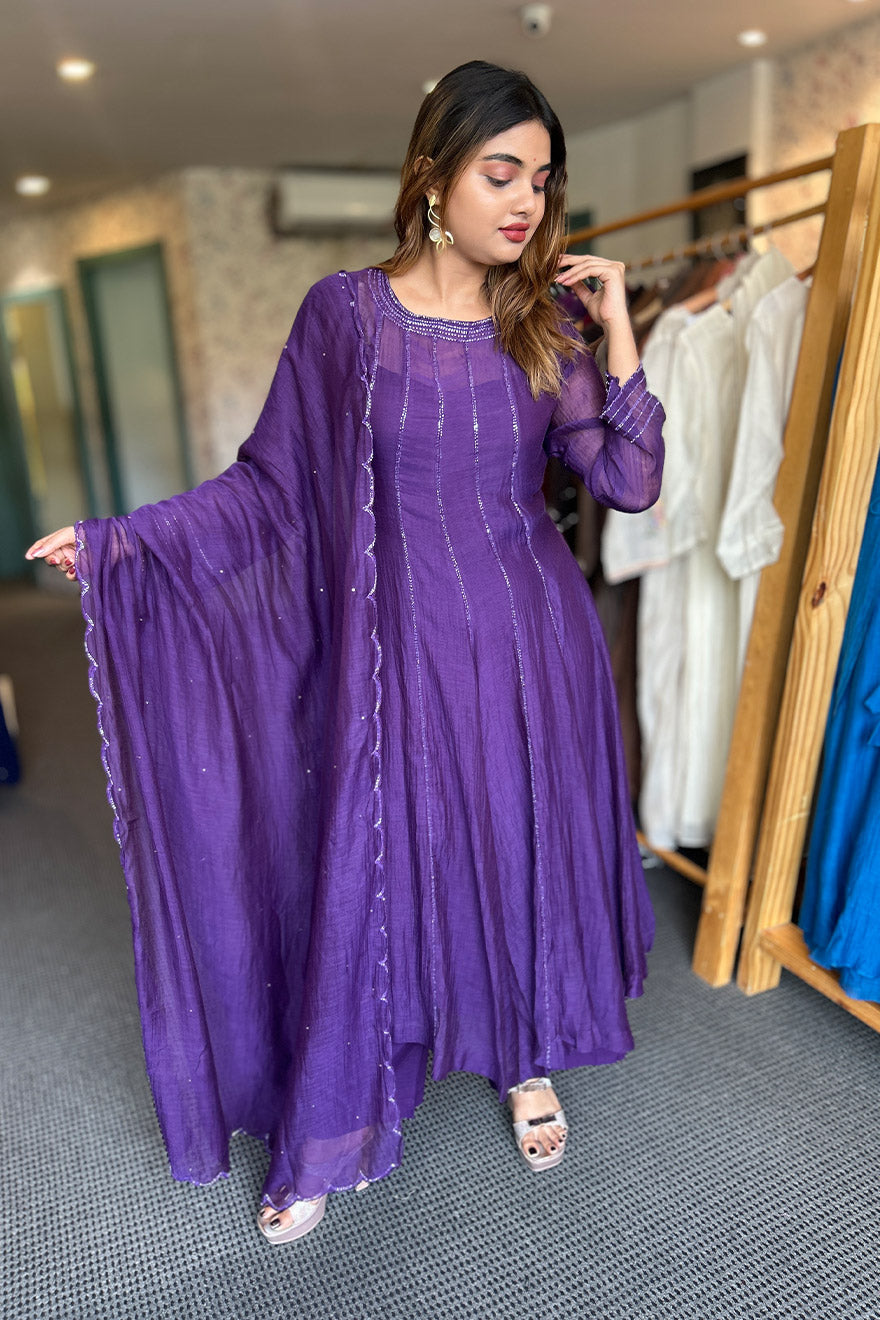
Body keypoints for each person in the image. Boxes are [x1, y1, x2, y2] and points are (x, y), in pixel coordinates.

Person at [25, 60, 665, 1245]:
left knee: (516, 840)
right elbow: (270, 485)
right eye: (500, 173)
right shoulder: (347, 316)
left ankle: (524, 1055)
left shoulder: (551, 322)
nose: (524, 201)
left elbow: (627, 481)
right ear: (433, 175)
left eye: (541, 179)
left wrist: (619, 323)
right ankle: (334, 1116)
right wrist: (129, 543)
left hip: (533, 645)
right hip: (397, 649)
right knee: (384, 859)